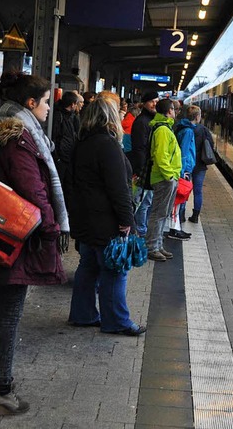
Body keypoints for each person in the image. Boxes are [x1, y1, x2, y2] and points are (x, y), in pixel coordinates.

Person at [0, 71, 69, 416]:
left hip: (1, 232)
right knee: (8, 313)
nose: (50, 108)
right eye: (47, 102)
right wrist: (52, 229)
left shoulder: (10, 130)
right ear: (31, 103)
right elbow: (33, 189)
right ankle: (1, 391)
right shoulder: (20, 138)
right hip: (16, 237)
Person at [67, 96, 146, 336]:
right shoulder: (107, 145)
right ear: (110, 117)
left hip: (86, 217)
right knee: (114, 270)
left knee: (88, 266)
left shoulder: (81, 143)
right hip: (106, 219)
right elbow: (118, 189)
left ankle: (83, 314)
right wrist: (128, 222)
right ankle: (117, 322)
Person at [145, 99, 182, 261]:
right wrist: (170, 176)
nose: (175, 112)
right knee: (159, 213)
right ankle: (152, 247)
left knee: (163, 213)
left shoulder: (165, 128)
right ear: (169, 111)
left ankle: (158, 244)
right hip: (164, 178)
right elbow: (161, 156)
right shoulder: (162, 130)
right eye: (174, 109)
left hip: (167, 177)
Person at [130, 91, 159, 236]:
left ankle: (143, 230)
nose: (154, 104)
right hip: (144, 170)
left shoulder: (150, 120)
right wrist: (141, 171)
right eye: (151, 101)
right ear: (144, 103)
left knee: (146, 203)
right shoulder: (142, 122)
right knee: (143, 203)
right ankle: (141, 232)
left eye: (156, 101)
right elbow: (140, 148)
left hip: (148, 169)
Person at [186, 110, 214, 224]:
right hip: (200, 165)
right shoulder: (203, 130)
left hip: (187, 164)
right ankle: (195, 216)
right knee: (198, 191)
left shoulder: (183, 128)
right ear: (197, 116)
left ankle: (181, 215)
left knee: (184, 189)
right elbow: (211, 145)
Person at [51, 90, 81, 196]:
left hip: (68, 156)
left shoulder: (71, 116)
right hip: (61, 157)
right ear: (72, 104)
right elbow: (54, 136)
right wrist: (57, 157)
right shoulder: (59, 116)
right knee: (60, 184)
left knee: (68, 184)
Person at [174, 105, 199, 227]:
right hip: (186, 167)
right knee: (182, 194)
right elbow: (184, 151)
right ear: (197, 117)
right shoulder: (188, 131)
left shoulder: (182, 126)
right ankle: (179, 220)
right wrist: (182, 170)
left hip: (184, 166)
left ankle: (179, 220)